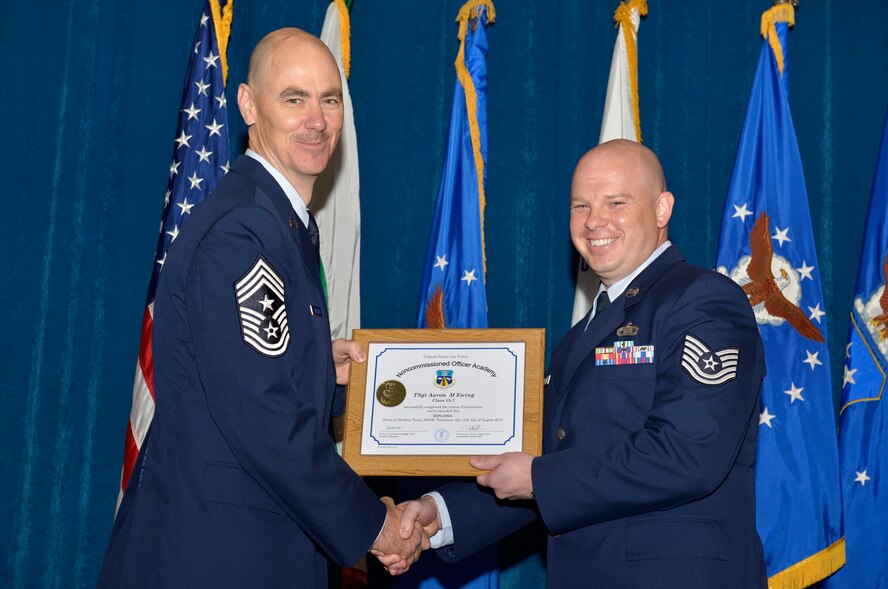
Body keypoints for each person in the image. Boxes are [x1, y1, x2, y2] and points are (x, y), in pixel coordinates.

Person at [99, 28, 425, 588]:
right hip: (216, 559)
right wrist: (374, 525)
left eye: (330, 99)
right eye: (293, 98)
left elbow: (241, 372)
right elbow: (262, 413)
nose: (316, 120)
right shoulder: (246, 228)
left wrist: (322, 366)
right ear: (249, 105)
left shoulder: (276, 219)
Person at [380, 139, 768, 587]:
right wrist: (437, 516)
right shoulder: (577, 340)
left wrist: (537, 477)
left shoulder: (702, 301)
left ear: (662, 210)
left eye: (615, 202)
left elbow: (688, 453)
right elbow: (543, 463)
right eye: (580, 205)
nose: (594, 221)